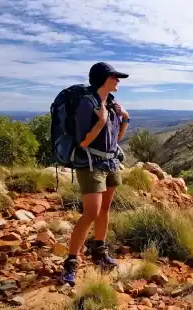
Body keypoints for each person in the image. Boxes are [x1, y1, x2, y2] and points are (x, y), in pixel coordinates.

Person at [60, 62, 130, 286]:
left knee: (106, 209)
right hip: (90, 164)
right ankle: (71, 262)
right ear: (103, 79)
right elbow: (83, 142)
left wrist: (125, 119)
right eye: (114, 77)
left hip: (109, 162)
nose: (118, 80)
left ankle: (99, 251)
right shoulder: (86, 104)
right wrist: (100, 121)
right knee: (91, 213)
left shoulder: (110, 103)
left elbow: (115, 140)